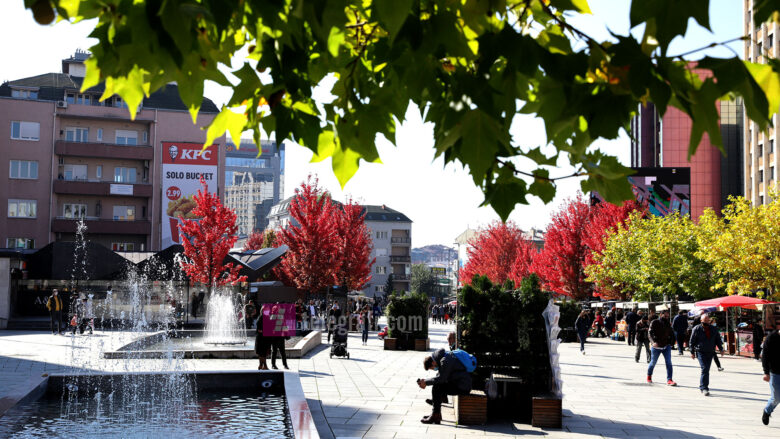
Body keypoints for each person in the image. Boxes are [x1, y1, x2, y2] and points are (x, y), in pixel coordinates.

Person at [417, 348, 473, 424]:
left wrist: (426, 382)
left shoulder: (445, 360)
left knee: (437, 387)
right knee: (437, 386)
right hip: (460, 383)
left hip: (463, 386)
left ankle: (436, 415)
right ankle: (436, 413)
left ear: (433, 363)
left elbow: (441, 379)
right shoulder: (442, 358)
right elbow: (439, 377)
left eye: (432, 368)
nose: (434, 369)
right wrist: (425, 382)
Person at [689, 312, 724, 396]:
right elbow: (692, 341)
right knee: (704, 369)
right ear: (701, 320)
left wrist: (721, 349)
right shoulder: (696, 329)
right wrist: (692, 352)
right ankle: (704, 388)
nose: (706, 322)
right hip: (700, 351)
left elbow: (718, 340)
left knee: (706, 369)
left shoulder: (713, 329)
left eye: (708, 320)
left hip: (710, 352)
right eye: (705, 320)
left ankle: (703, 386)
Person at [647, 310, 677, 386]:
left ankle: (669, 379)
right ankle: (649, 376)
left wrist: (672, 343)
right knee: (653, 362)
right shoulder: (654, 322)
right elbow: (650, 333)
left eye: (668, 316)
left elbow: (671, 333)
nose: (667, 317)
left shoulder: (668, 323)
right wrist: (653, 342)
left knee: (669, 362)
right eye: (665, 316)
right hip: (656, 346)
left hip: (666, 346)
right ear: (661, 314)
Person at [762, 326, 780, 425]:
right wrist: (766, 372)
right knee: (777, 397)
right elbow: (765, 356)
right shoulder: (771, 338)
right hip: (775, 372)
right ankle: (767, 411)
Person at [255, 304, 271, 370]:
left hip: (264, 338)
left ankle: (261, 365)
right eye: (266, 309)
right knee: (263, 353)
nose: (267, 310)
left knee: (262, 353)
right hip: (262, 338)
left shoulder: (265, 317)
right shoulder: (261, 318)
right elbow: (260, 330)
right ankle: (264, 366)